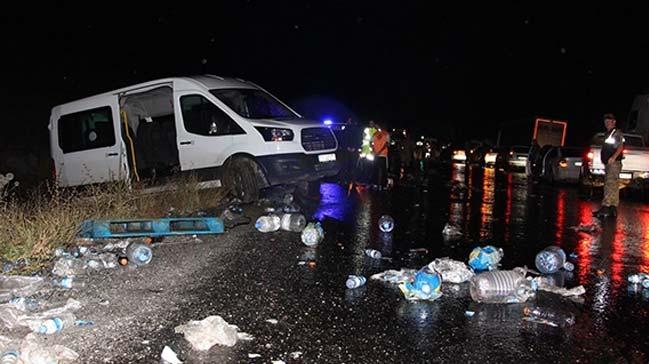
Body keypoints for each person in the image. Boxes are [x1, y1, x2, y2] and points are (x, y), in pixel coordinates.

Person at [593, 113, 624, 218]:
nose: (606, 123)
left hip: (613, 164)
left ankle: (605, 208)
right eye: (605, 121)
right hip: (611, 163)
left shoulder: (615, 133)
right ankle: (612, 209)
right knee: (614, 185)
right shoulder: (608, 133)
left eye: (609, 121)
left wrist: (613, 157)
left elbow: (620, 147)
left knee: (609, 184)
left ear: (614, 122)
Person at [372, 122, 390, 189]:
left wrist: (375, 151)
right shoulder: (386, 134)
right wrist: (379, 151)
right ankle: (383, 185)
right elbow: (387, 144)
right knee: (383, 170)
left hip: (377, 155)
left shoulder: (375, 134)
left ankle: (376, 184)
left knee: (376, 169)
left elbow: (372, 144)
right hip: (382, 155)